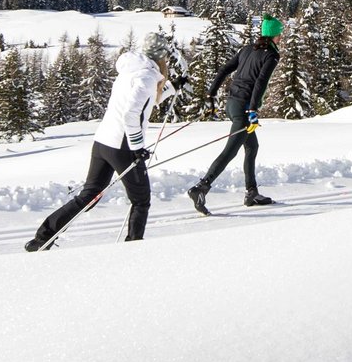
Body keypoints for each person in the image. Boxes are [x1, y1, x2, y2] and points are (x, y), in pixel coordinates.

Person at [25, 49, 171, 251]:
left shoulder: (131, 71)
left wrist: (171, 88)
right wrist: (138, 148)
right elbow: (131, 115)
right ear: (161, 58)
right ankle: (134, 249)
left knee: (88, 196)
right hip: (123, 145)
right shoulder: (147, 77)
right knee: (141, 200)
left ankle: (43, 237)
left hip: (103, 142)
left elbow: (145, 100)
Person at [186, 15, 281, 214]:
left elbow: (225, 69)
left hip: (232, 105)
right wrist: (253, 109)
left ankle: (252, 192)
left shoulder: (247, 49)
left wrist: (212, 92)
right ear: (273, 35)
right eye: (279, 33)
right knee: (230, 151)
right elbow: (260, 83)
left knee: (252, 147)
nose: (281, 37)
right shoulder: (271, 55)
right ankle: (201, 187)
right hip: (244, 108)